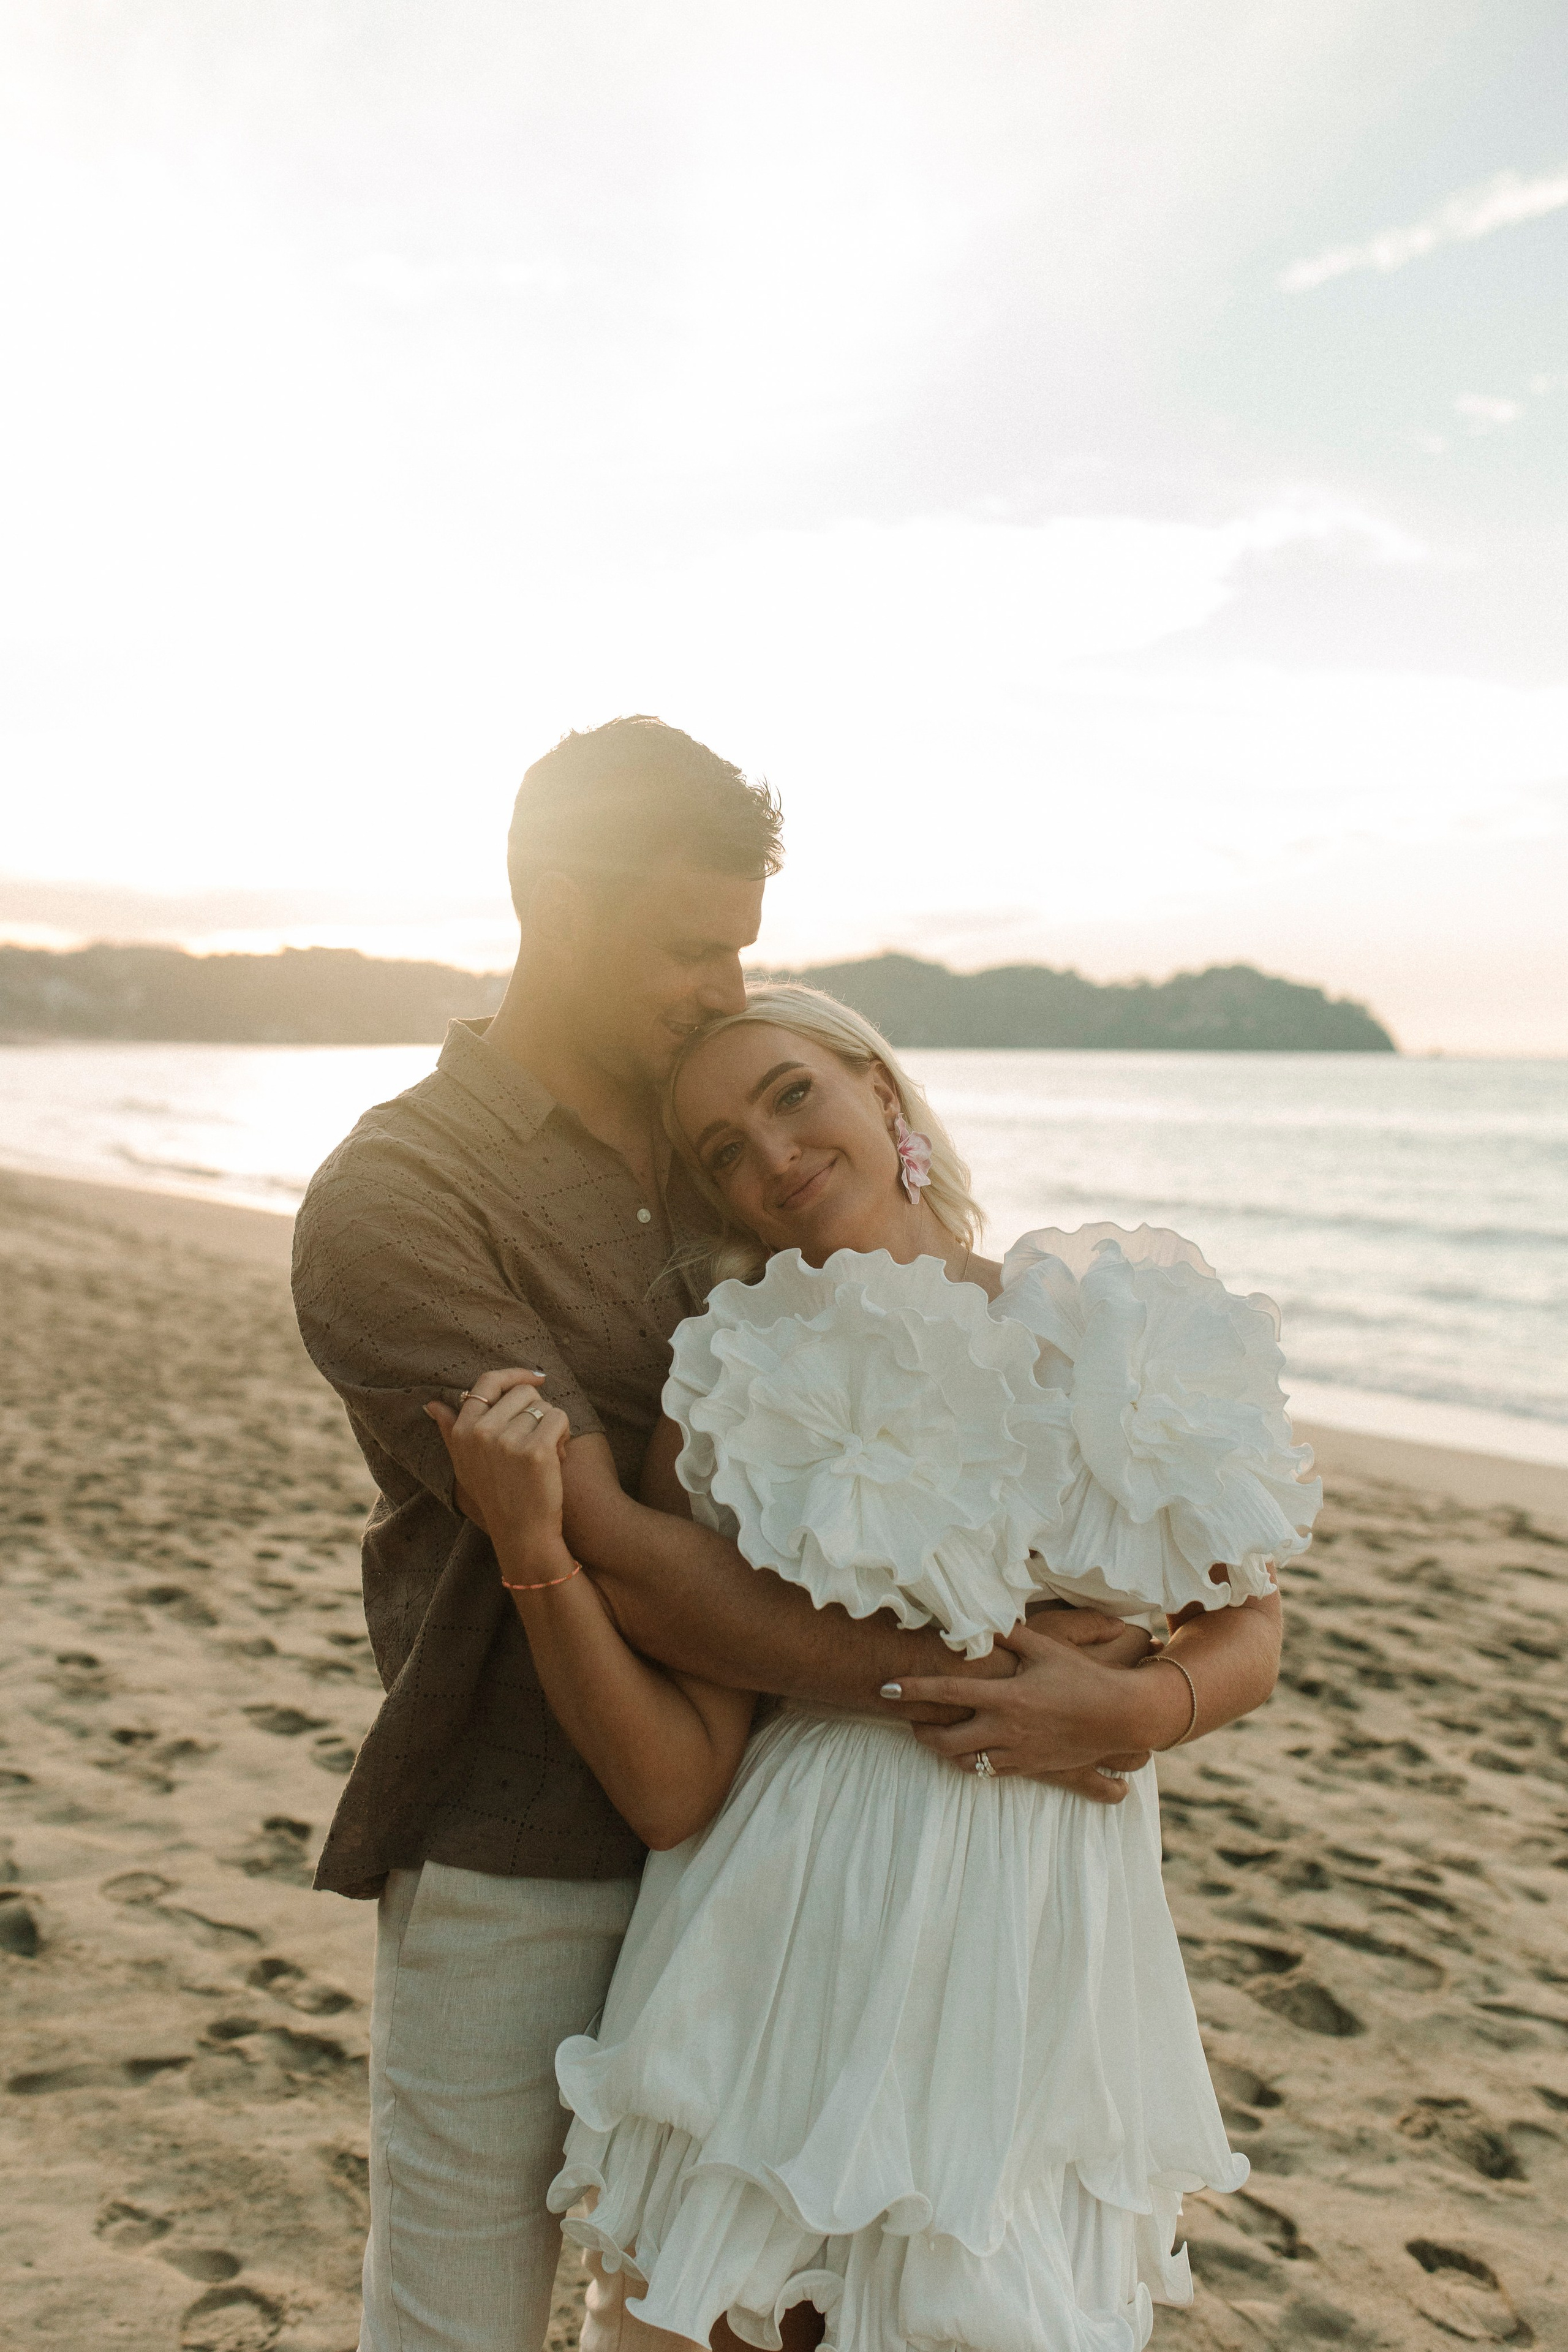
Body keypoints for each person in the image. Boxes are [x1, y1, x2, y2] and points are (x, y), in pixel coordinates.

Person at [292, 721, 1154, 2352]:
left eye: (739, 948)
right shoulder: (398, 1197)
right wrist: (1001, 1679)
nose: (718, 983)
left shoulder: (724, 1150)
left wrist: (1140, 1673)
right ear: (549, 899)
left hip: (794, 1860)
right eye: (688, 946)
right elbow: (605, 1542)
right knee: (460, 2319)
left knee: (733, 2315)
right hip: (524, 1839)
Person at [432, 985, 1312, 2352]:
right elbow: (673, 1791)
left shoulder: (1119, 1331)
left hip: (1041, 1958)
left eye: (790, 1095)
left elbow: (1249, 1624)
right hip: (791, 1946)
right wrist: (537, 1554)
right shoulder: (729, 1384)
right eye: (720, 1149)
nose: (771, 1154)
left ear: (879, 1093)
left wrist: (1143, 1703)